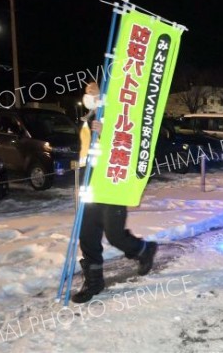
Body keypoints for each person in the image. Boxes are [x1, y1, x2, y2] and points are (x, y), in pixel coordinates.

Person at [73, 82, 157, 304]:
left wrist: (107, 131)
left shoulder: (116, 117)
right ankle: (94, 282)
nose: (89, 95)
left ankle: (143, 250)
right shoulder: (87, 120)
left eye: (93, 92)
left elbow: (127, 145)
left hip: (112, 185)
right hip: (90, 187)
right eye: (87, 92)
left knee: (114, 235)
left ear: (103, 95)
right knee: (87, 237)